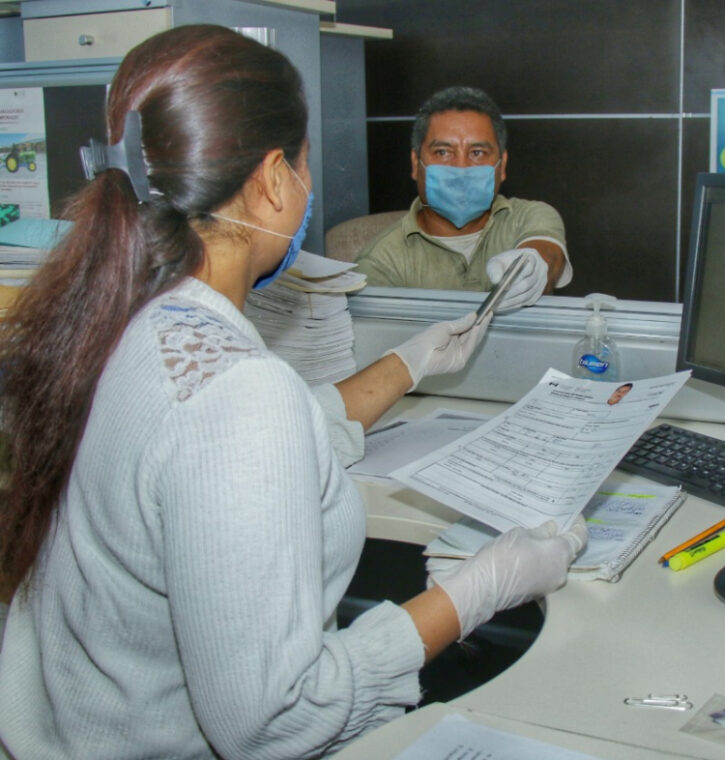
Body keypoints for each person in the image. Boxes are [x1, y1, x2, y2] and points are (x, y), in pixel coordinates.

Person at [0, 25, 586, 759]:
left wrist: (407, 364)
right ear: (275, 180)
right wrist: (476, 592)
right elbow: (275, 718)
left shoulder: (116, 321)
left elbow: (227, 449)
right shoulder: (238, 397)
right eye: (305, 166)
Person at [354, 86, 572, 311]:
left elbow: (548, 255)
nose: (461, 168)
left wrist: (532, 267)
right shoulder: (380, 260)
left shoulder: (528, 216)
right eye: (443, 152)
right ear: (415, 164)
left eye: (477, 153)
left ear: (502, 165)